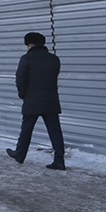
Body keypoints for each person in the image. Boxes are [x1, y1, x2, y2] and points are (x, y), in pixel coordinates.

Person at [7, 32, 67, 170]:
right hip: (51, 99)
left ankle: (20, 154)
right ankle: (59, 160)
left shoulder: (26, 59)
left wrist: (23, 95)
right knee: (55, 131)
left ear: (30, 44)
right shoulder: (54, 59)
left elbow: (20, 79)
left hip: (32, 100)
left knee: (26, 129)